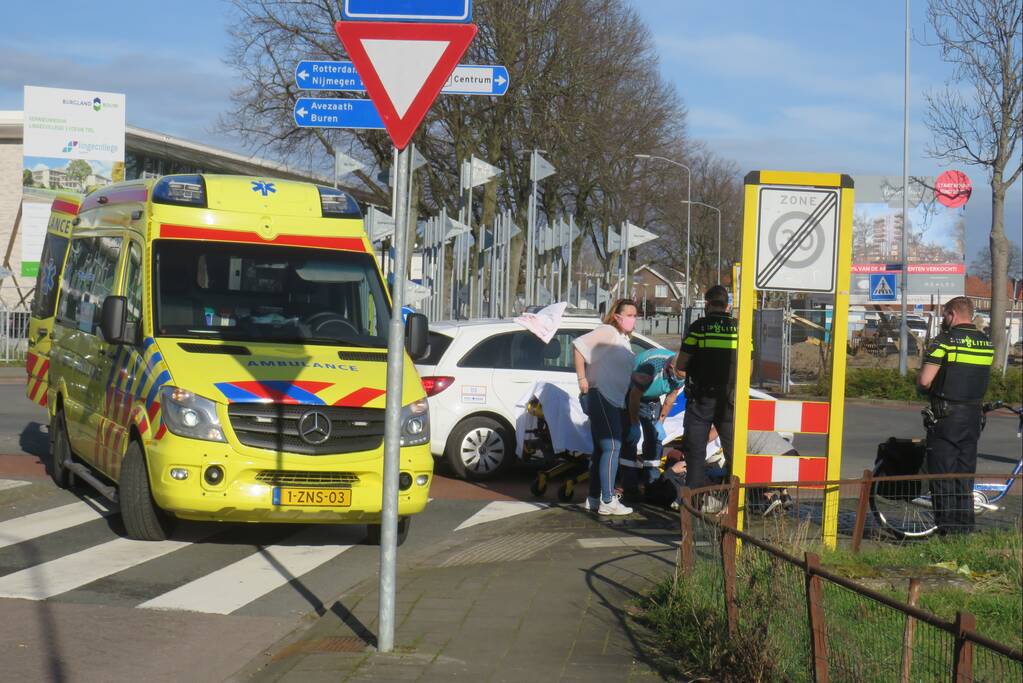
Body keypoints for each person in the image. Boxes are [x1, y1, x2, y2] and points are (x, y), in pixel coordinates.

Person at [918, 296, 994, 535]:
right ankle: (965, 530)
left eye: (944, 315)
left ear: (952, 314)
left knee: (943, 475)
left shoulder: (945, 342)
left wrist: (924, 388)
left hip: (945, 418)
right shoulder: (986, 344)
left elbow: (925, 380)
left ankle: (946, 532)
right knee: (964, 476)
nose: (943, 320)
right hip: (973, 418)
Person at [674, 285, 739, 512]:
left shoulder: (699, 328)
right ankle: (733, 505)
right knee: (734, 451)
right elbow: (747, 369)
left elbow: (680, 365)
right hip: (730, 400)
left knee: (695, 450)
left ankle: (695, 504)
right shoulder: (738, 328)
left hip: (701, 399)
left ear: (707, 303)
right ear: (727, 305)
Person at [573, 299, 638, 516]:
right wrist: (582, 378)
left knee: (602, 448)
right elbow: (579, 346)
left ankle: (593, 498)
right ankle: (608, 500)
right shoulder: (608, 331)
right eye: (629, 314)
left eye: (635, 315)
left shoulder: (623, 339)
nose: (632, 318)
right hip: (601, 394)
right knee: (612, 446)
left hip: (612, 399)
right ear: (617, 315)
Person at [621, 348, 685, 503]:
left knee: (654, 440)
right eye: (676, 377)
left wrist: (660, 422)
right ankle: (630, 489)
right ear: (670, 368)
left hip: (651, 399)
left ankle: (652, 485)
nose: (678, 380)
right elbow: (634, 398)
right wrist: (634, 421)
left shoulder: (682, 369)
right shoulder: (650, 369)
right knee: (631, 439)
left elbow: (671, 396)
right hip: (631, 393)